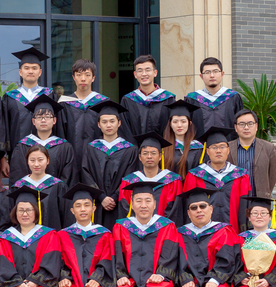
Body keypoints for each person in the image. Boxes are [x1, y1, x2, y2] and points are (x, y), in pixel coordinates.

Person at [81, 101, 138, 229]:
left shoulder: (130, 149)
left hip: (120, 202)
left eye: (112, 121)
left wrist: (115, 197)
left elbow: (130, 176)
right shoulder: (91, 148)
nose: (108, 125)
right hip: (97, 203)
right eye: (104, 122)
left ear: (119, 123)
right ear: (99, 125)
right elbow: (86, 174)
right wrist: (101, 197)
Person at [183, 127, 251, 233]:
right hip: (203, 234)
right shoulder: (195, 175)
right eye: (214, 147)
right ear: (207, 151)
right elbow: (188, 207)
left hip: (233, 232)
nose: (218, 151)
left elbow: (245, 207)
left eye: (222, 147)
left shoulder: (240, 175)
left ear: (228, 150)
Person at [2, 47, 53, 176]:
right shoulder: (10, 97)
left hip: (46, 155)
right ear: (20, 72)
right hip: (17, 155)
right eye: (26, 68)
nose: (30, 71)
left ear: (40, 72)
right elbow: (4, 128)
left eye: (34, 68)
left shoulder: (49, 95)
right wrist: (3, 157)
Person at [57, 59, 113, 168]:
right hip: (71, 160)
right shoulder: (65, 103)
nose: (83, 78)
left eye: (87, 75)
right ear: (73, 77)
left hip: (98, 159)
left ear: (93, 78)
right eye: (79, 75)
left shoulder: (102, 102)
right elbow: (61, 132)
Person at [9, 94, 75, 186]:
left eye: (47, 117)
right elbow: (18, 175)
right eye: (39, 117)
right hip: (28, 194)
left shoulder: (65, 147)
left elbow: (68, 177)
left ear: (54, 120)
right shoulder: (22, 146)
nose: (43, 120)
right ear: (33, 121)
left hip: (56, 193)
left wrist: (56, 191)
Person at [118, 132, 183, 223]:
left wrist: (163, 227)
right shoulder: (129, 181)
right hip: (137, 229)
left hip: (165, 229)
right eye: (145, 153)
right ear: (140, 157)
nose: (149, 156)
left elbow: (176, 212)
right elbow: (125, 210)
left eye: (153, 153)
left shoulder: (173, 181)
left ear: (160, 156)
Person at [10, 145, 67, 230]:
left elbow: (65, 216)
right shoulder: (18, 186)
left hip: (52, 236)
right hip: (24, 236)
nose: (36, 164)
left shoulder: (58, 186)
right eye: (32, 160)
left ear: (48, 161)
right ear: (27, 161)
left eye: (40, 160)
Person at [184, 57, 243, 135]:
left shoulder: (233, 97)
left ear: (222, 74)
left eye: (215, 71)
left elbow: (240, 124)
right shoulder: (192, 99)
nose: (212, 75)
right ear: (201, 76)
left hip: (228, 142)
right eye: (207, 72)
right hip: (199, 143)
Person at [227, 109, 276, 199]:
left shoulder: (268, 148)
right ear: (235, 127)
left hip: (260, 200)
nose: (246, 127)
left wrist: (266, 193)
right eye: (242, 124)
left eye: (250, 124)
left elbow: (272, 176)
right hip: (235, 200)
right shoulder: (227, 148)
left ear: (256, 126)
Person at [120, 55, 175, 137]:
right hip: (135, 145)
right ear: (135, 74)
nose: (144, 74)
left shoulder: (168, 99)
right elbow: (125, 129)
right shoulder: (127, 100)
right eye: (140, 71)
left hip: (163, 145)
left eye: (147, 70)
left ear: (155, 73)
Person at [163, 100, 204, 178]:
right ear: (170, 124)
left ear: (190, 123)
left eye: (183, 121)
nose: (179, 125)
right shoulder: (163, 147)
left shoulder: (199, 148)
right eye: (175, 122)